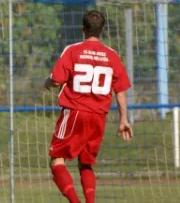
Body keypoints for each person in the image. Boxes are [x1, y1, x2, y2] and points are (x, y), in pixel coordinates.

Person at [44, 10, 133, 203]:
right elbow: (120, 90)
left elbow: (57, 80)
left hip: (75, 113)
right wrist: (124, 119)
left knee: (57, 160)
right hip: (99, 117)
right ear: (102, 30)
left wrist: (47, 82)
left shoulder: (73, 50)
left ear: (82, 29)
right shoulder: (112, 55)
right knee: (85, 164)